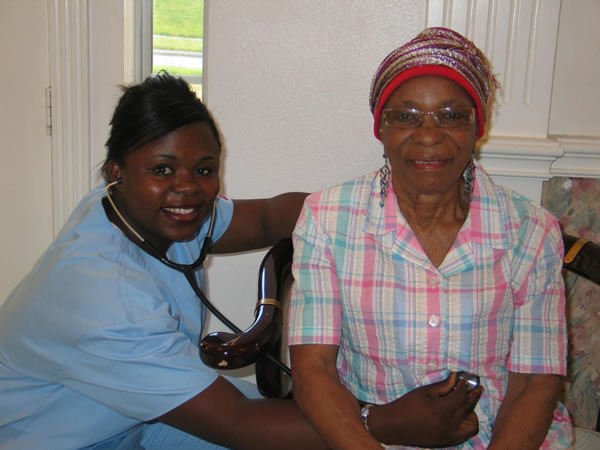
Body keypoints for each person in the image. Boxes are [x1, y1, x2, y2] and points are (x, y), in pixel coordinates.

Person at [0, 73, 328, 449]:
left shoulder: (138, 209)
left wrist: (363, 213)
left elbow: (267, 218)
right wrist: (388, 421)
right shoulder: (102, 294)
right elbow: (239, 422)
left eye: (204, 170)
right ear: (116, 171)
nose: (187, 187)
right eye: (162, 169)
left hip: (135, 417)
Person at [288, 27, 573, 449]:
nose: (427, 135)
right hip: (371, 434)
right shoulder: (327, 219)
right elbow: (314, 370)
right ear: (380, 128)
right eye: (405, 116)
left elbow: (534, 380)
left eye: (451, 115)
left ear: (478, 126)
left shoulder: (531, 230)